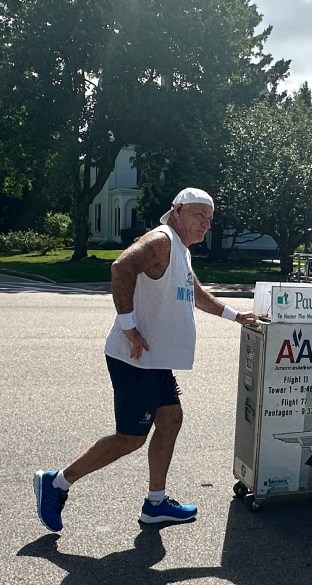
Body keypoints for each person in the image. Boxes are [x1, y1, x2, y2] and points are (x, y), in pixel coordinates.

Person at [34, 188, 257, 532]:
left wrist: (234, 315)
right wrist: (129, 328)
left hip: (154, 361)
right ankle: (57, 483)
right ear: (177, 211)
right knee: (130, 438)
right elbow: (121, 268)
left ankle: (155, 503)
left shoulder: (180, 249)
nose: (205, 224)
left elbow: (193, 291)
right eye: (199, 215)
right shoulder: (162, 240)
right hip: (135, 360)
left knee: (170, 419)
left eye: (209, 219)